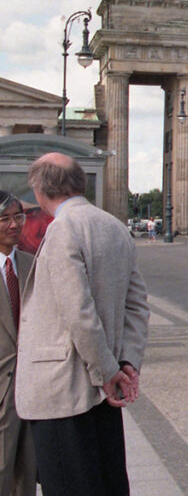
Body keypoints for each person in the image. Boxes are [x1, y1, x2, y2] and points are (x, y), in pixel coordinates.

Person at [15, 153, 149, 495]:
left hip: (64, 391)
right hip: (105, 394)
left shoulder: (63, 229)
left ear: (41, 188)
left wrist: (107, 372)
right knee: (106, 483)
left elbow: (78, 311)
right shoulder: (114, 226)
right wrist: (127, 362)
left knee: (70, 485)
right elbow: (137, 305)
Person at [0, 191, 35, 495]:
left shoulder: (32, 265)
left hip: (32, 389)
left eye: (18, 216)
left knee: (28, 471)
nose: (14, 225)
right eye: (5, 218)